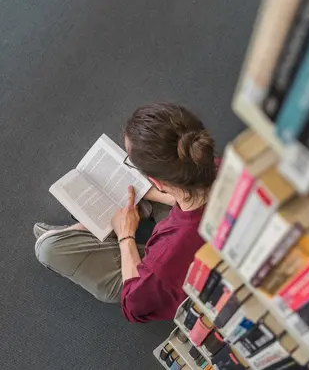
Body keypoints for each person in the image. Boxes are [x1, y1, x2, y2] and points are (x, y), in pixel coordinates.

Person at [34, 103, 217, 323]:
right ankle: (83, 231)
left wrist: (125, 236)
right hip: (203, 232)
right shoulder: (220, 165)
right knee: (137, 203)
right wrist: (160, 192)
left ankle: (83, 231)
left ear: (157, 180)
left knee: (48, 250)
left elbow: (134, 307)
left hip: (176, 272)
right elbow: (197, 197)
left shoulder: (165, 256)